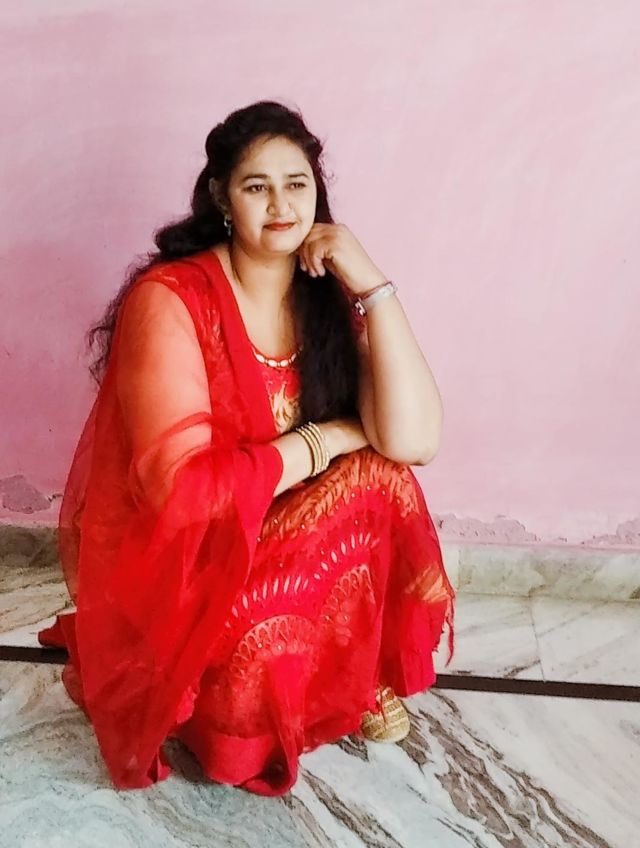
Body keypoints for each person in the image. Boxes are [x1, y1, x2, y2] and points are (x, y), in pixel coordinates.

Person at [39, 100, 456, 796]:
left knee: (384, 473)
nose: (281, 205)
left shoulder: (322, 294)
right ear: (221, 198)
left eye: (297, 183)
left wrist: (371, 282)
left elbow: (415, 440)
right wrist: (324, 440)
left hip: (280, 535)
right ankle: (231, 708)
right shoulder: (171, 299)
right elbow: (185, 493)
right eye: (257, 186)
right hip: (194, 562)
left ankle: (350, 679)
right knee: (359, 467)